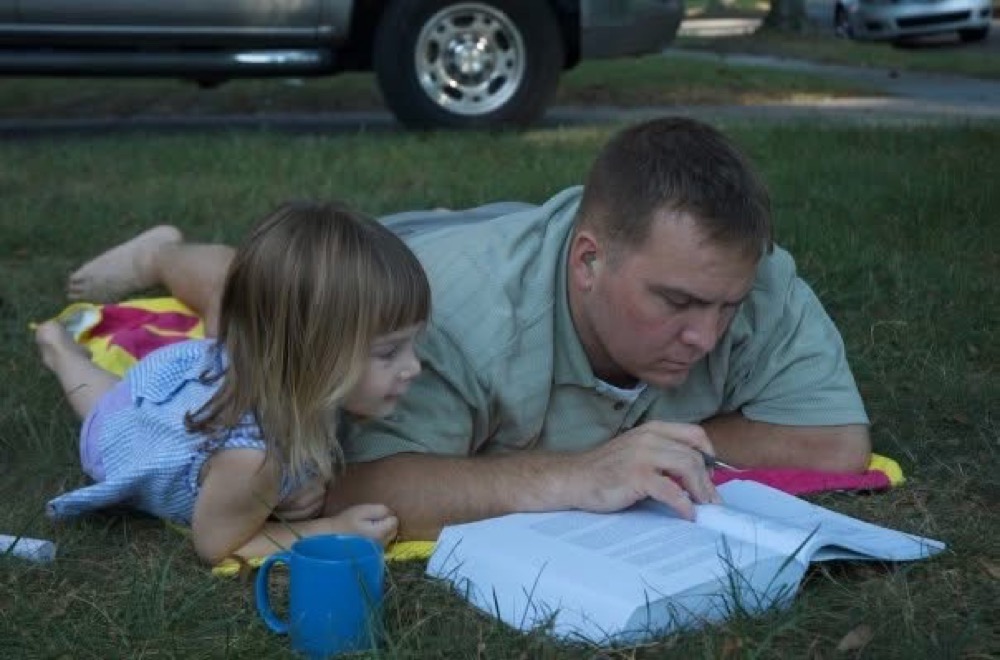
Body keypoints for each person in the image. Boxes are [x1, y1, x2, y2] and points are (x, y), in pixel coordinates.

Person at [65, 117, 871, 542]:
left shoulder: (753, 278)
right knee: (253, 297)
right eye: (677, 305)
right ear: (588, 262)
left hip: (516, 234)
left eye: (724, 307)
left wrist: (653, 441)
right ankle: (172, 251)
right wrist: (576, 472)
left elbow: (834, 444)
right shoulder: (450, 317)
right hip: (409, 257)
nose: (707, 335)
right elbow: (349, 486)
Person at [41, 200, 431, 564]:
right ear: (309, 355)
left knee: (124, 396)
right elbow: (217, 545)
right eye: (388, 352)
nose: (413, 366)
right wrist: (331, 529)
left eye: (412, 344)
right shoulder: (252, 461)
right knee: (103, 404)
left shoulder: (291, 377)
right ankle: (59, 348)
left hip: (199, 375)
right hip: (133, 437)